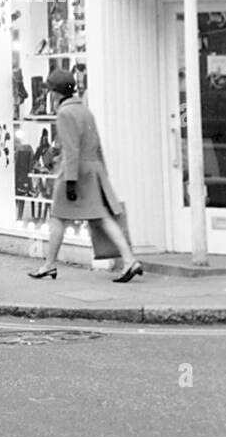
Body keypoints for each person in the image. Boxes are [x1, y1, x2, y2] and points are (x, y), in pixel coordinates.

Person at [28, 69, 142, 282]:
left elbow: (71, 150)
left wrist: (70, 181)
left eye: (50, 91)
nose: (49, 96)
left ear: (55, 93)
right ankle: (129, 260)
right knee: (102, 218)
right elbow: (97, 146)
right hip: (93, 170)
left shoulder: (64, 114)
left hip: (75, 172)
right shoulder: (85, 111)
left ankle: (49, 265)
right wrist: (103, 176)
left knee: (57, 217)